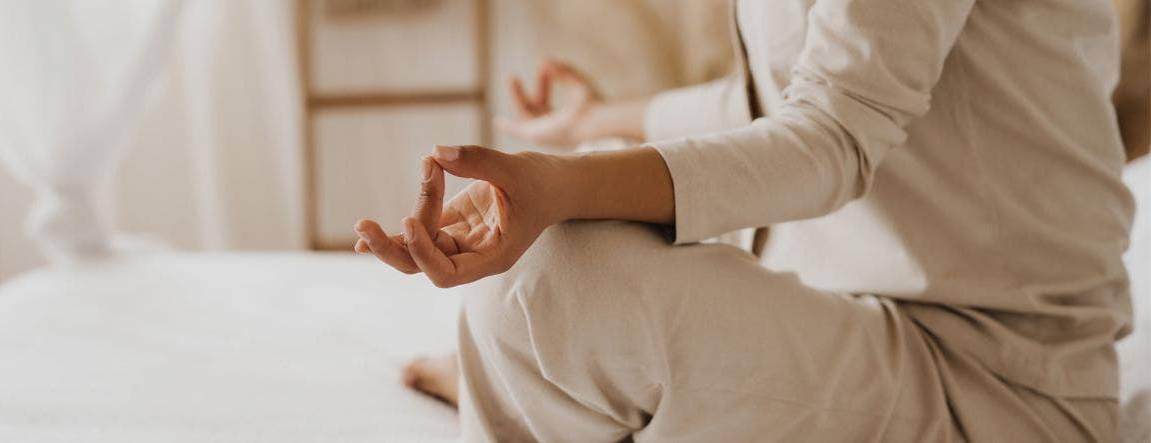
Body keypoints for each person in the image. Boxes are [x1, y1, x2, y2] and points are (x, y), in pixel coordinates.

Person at [353, 0, 1141, 440]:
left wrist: (563, 183)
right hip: (871, 320)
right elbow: (789, 97)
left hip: (1004, 390)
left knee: (550, 287)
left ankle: (539, 397)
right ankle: (540, 396)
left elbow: (832, 137)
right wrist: (601, 121)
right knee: (547, 285)